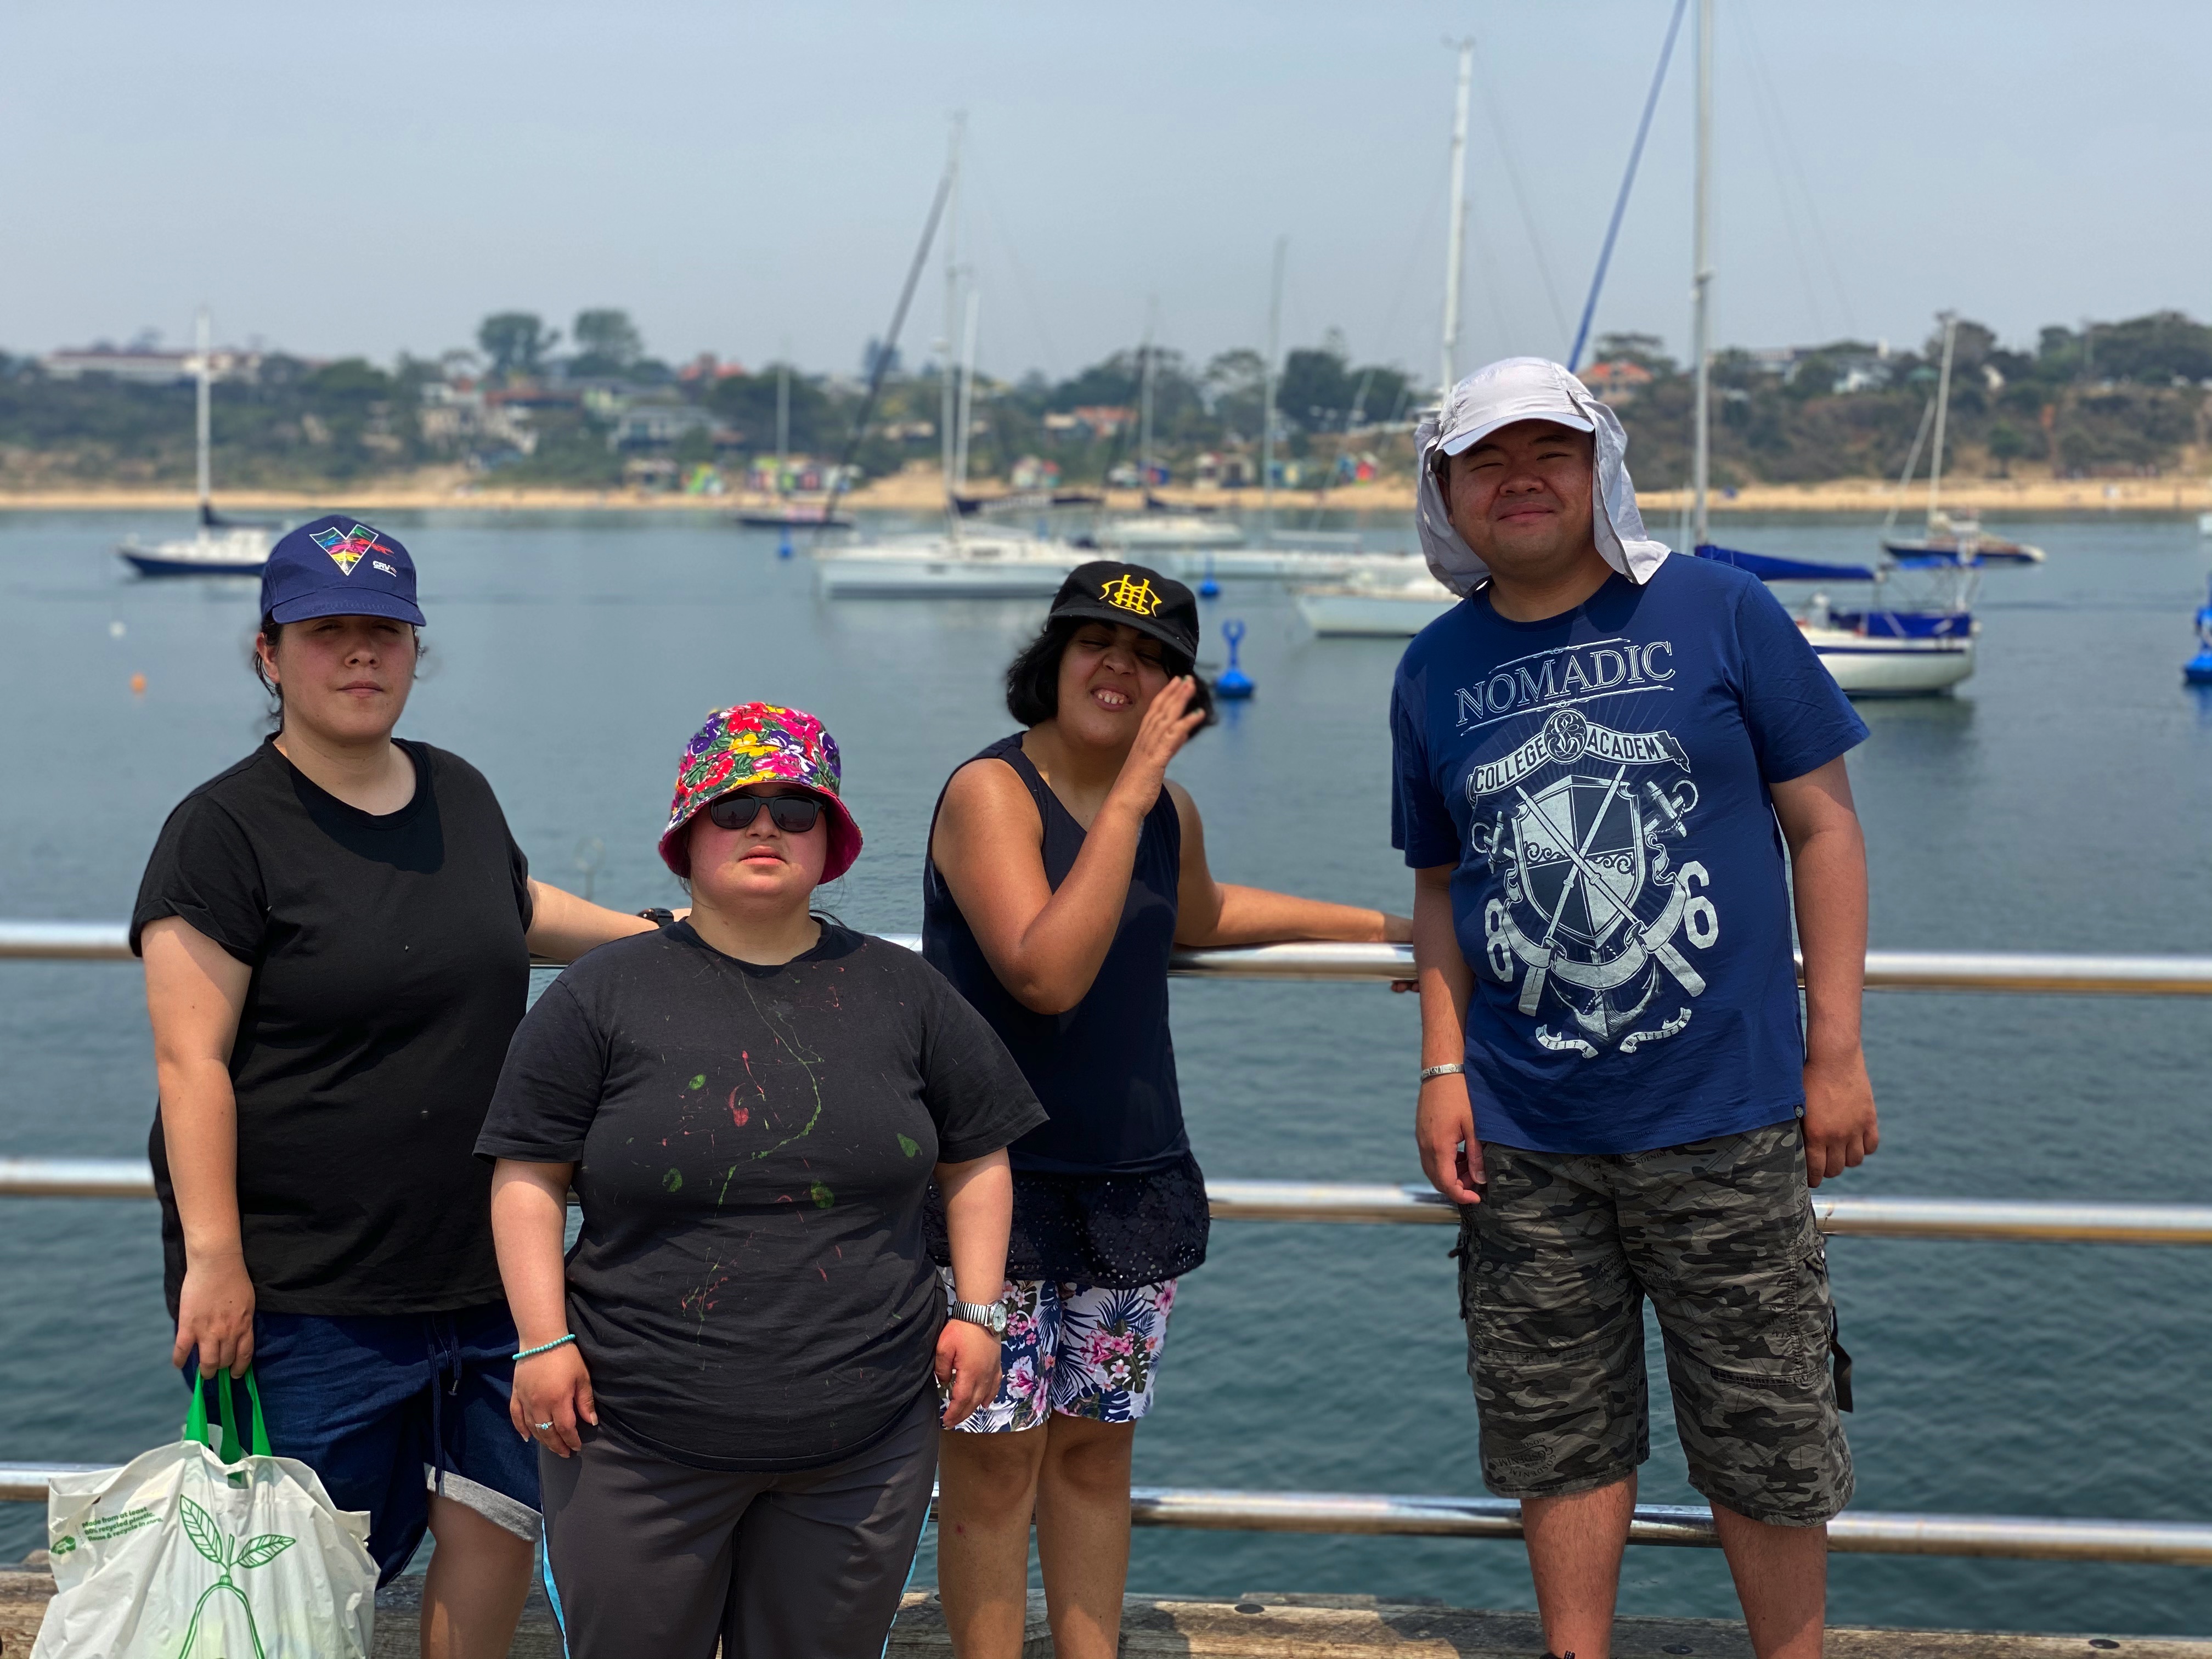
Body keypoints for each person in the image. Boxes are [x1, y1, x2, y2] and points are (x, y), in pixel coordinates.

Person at [1392, 359, 1878, 1659]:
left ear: (1599, 466)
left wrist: (1837, 1050)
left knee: (1767, 1425)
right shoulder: (1432, 670)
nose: (1523, 479)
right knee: (1558, 1429)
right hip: (1527, 1133)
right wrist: (1443, 1066)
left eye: (1550, 451)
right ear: (1446, 494)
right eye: (1488, 461)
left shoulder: (1721, 610)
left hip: (1727, 1113)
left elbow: (1823, 832)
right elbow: (1441, 885)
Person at [133, 517, 664, 1658]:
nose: (361, 656)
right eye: (329, 633)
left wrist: (666, 941)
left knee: (493, 1533)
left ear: (417, 650)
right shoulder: (221, 832)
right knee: (297, 1596)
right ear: (270, 653)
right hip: (308, 1297)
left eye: (385, 631)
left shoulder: (457, 792)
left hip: (487, 1280)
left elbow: (513, 912)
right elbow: (191, 1062)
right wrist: (218, 1265)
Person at [479, 703, 1044, 1659]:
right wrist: (542, 1341)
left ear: (832, 841)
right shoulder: (600, 994)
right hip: (631, 1436)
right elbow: (527, 1174)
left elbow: (980, 1156)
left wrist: (979, 1312)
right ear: (687, 834)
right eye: (735, 808)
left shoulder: (904, 991)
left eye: (795, 807)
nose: (765, 828)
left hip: (862, 1442)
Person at [924, 562, 1413, 1659]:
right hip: (990, 1193)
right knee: (996, 1463)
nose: (1119, 666)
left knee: (1095, 1455)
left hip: (1130, 1186)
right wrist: (1135, 791)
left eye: (1150, 657)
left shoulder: (1164, 811)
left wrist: (1392, 927)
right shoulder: (990, 793)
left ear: (1175, 690)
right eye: (1096, 642)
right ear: (1053, 658)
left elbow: (1204, 912)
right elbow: (1044, 968)